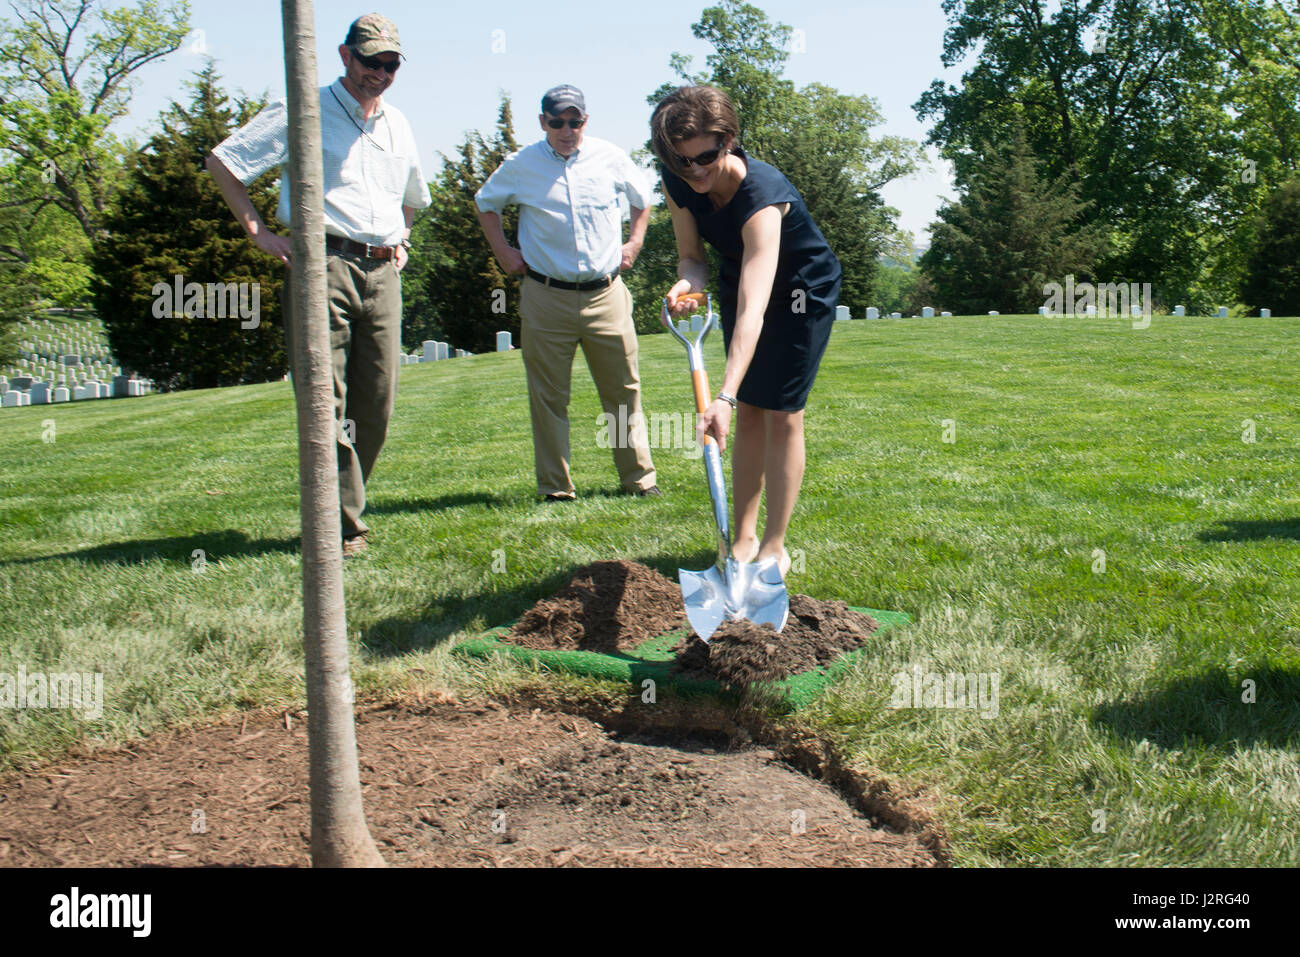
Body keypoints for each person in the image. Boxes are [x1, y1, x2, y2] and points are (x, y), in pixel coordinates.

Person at [205, 13, 428, 557]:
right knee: (323, 400)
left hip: (383, 272)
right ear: (344, 55)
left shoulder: (398, 123)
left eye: (390, 64)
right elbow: (224, 162)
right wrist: (259, 233)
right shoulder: (301, 109)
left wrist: (400, 237)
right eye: (370, 60)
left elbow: (413, 199)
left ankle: (342, 507)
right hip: (322, 265)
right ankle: (343, 526)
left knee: (377, 402)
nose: (379, 72)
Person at [651, 85, 842, 577]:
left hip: (800, 291)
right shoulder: (678, 184)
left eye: (705, 157)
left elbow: (756, 308)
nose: (694, 171)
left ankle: (775, 545)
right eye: (680, 162)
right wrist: (686, 284)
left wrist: (724, 395)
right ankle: (743, 538)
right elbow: (693, 258)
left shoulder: (762, 194)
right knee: (751, 413)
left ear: (730, 140)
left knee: (780, 413)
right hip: (743, 281)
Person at [475, 84, 660, 502]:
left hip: (606, 294)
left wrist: (635, 243)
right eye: (557, 121)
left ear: (585, 121)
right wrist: (503, 251)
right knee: (549, 397)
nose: (566, 129)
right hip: (546, 295)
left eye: (574, 121)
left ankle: (638, 480)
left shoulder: (610, 157)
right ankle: (556, 487)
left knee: (623, 392)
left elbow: (643, 198)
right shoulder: (520, 165)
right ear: (543, 122)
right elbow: (486, 203)